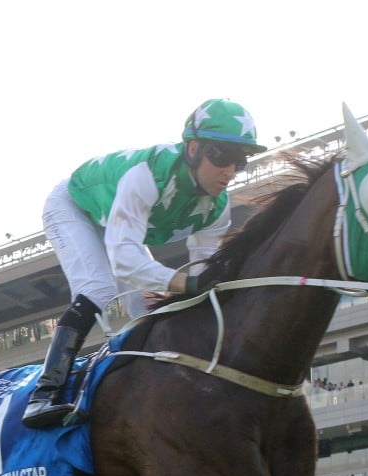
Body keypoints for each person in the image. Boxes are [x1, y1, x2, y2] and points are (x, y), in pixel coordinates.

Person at [22, 98, 266, 428]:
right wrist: (186, 285)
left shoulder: (217, 206)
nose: (229, 171)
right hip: (74, 206)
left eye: (240, 162)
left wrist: (200, 290)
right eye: (221, 156)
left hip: (115, 221)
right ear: (192, 148)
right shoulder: (148, 176)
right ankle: (45, 393)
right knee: (98, 287)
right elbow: (125, 260)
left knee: (147, 312)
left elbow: (201, 271)